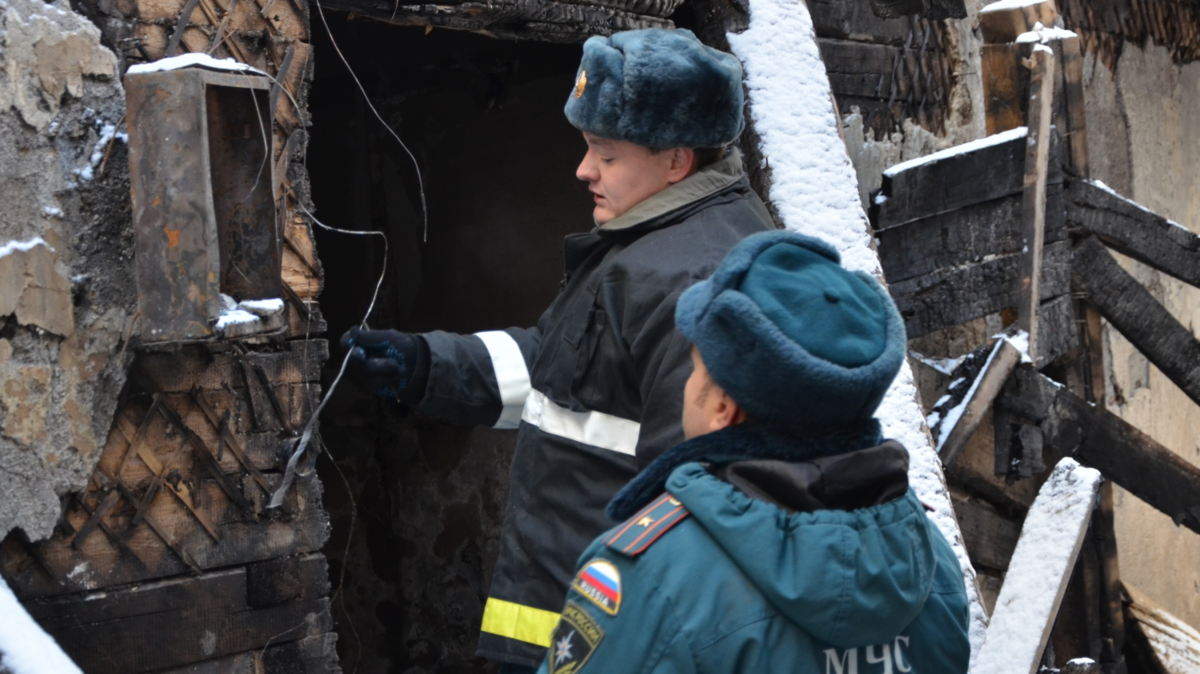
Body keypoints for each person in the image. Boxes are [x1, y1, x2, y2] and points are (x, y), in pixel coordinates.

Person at [342, 28, 774, 670]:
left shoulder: (692, 283)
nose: (583, 170)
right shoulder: (645, 246)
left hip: (604, 643)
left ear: (677, 160)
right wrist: (426, 365)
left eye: (605, 153)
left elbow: (692, 511)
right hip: (562, 624)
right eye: (586, 148)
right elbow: (561, 371)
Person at [538, 230, 972, 674]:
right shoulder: (928, 557)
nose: (687, 387)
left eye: (696, 368)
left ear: (722, 409)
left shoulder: (654, 576)